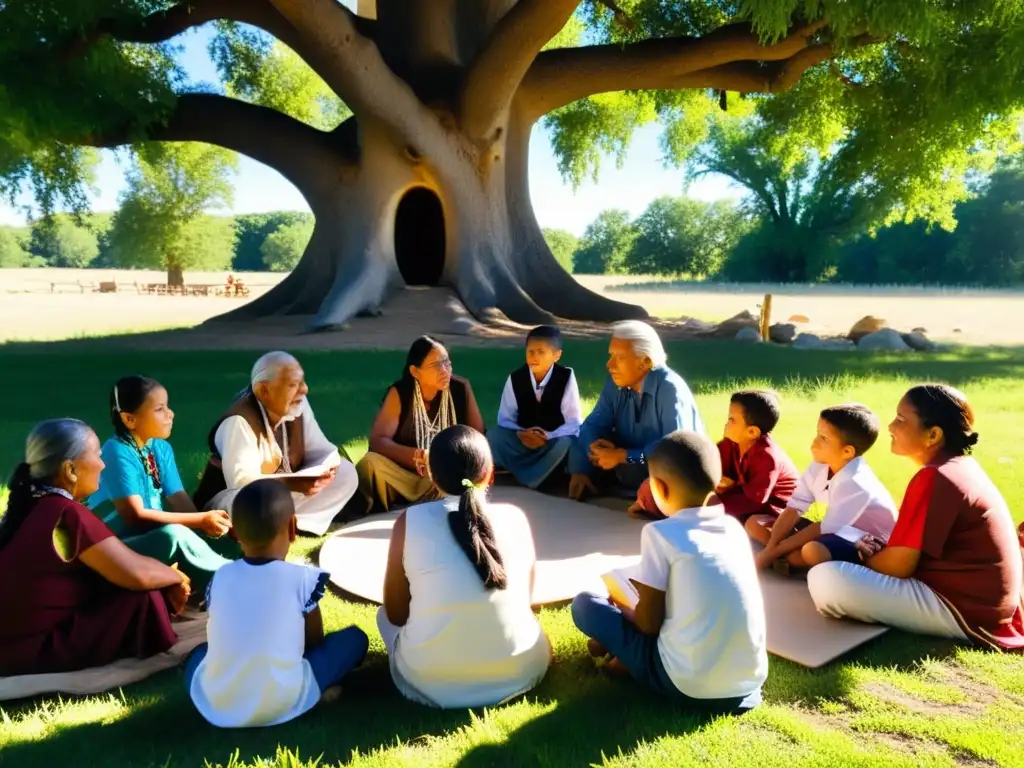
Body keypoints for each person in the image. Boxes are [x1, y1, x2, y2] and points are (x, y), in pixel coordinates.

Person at [808, 384, 1024, 648]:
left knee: (827, 578)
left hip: (964, 608)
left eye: (901, 420)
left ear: (933, 434)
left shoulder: (937, 476)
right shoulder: (957, 467)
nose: (890, 426)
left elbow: (899, 566)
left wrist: (861, 558)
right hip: (984, 603)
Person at [571, 430, 767, 712]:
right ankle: (620, 657)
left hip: (686, 684)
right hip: (747, 686)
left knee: (585, 604)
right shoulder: (734, 529)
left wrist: (626, 608)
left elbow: (649, 624)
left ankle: (623, 659)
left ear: (659, 488)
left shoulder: (660, 533)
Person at [377, 425, 550, 708]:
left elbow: (395, 614)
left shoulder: (409, 521)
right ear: (490, 473)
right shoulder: (515, 517)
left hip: (429, 681)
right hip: (519, 670)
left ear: (432, 476)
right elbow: (526, 601)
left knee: (381, 617)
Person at [0, 419, 190, 676]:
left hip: (14, 647)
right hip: (37, 650)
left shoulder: (34, 505)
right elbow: (137, 574)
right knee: (143, 596)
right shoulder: (64, 512)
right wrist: (174, 577)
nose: (103, 464)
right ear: (70, 470)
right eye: (98, 456)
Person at [185, 479, 369, 728]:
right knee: (355, 639)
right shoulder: (302, 579)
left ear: (235, 533)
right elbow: (314, 643)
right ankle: (316, 692)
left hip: (221, 702)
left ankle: (231, 696)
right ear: (292, 528)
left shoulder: (220, 577)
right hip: (285, 697)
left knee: (198, 656)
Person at [88, 375, 238, 591]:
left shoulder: (159, 448)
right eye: (159, 409)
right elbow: (135, 515)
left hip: (147, 537)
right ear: (129, 419)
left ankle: (229, 576)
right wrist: (199, 520)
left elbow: (178, 498)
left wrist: (209, 526)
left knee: (182, 533)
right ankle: (236, 580)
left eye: (167, 407)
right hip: (115, 549)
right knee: (174, 535)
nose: (170, 414)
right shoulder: (116, 452)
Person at [192, 351, 359, 536]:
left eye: (302, 382)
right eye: (293, 385)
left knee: (346, 473)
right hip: (231, 500)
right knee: (258, 499)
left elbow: (320, 449)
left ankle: (299, 525)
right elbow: (241, 483)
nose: (304, 390)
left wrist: (323, 471)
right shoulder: (239, 420)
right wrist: (290, 483)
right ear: (264, 390)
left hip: (283, 490)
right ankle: (275, 524)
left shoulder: (297, 403)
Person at [746, 403, 897, 571]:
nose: (814, 443)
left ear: (847, 452)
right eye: (817, 434)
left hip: (863, 538)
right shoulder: (820, 465)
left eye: (823, 439)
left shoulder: (855, 482)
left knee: (812, 551)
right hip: (833, 530)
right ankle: (786, 558)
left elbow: (823, 527)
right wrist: (770, 549)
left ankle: (789, 558)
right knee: (755, 522)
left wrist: (769, 554)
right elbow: (795, 507)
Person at [568, 321, 705, 501]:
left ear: (645, 362)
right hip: (629, 473)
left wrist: (624, 457)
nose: (610, 365)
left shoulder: (669, 389)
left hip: (670, 477)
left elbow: (673, 451)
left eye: (620, 357)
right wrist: (593, 452)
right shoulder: (615, 383)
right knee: (571, 437)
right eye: (611, 356)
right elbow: (591, 425)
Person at [356, 336, 485, 512]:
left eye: (447, 362)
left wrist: (443, 459)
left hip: (440, 474)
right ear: (415, 371)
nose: (445, 370)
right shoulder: (400, 393)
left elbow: (478, 438)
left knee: (451, 473)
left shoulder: (460, 388)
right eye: (436, 365)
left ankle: (427, 505)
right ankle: (400, 503)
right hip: (403, 474)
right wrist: (418, 455)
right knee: (369, 463)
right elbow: (378, 441)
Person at [630, 389, 797, 521]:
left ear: (752, 431)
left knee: (700, 506)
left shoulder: (767, 458)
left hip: (765, 508)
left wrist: (711, 501)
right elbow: (709, 466)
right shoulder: (730, 444)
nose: (726, 423)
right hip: (733, 497)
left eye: (732, 419)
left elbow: (754, 500)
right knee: (654, 486)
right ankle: (654, 508)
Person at [488, 325, 582, 489]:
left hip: (551, 442)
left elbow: (573, 422)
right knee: (494, 435)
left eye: (541, 352)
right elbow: (505, 419)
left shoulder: (566, 377)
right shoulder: (516, 378)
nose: (534, 357)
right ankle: (538, 474)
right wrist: (521, 433)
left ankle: (530, 476)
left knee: (568, 442)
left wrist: (548, 435)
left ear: (556, 355)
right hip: (522, 441)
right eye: (530, 352)